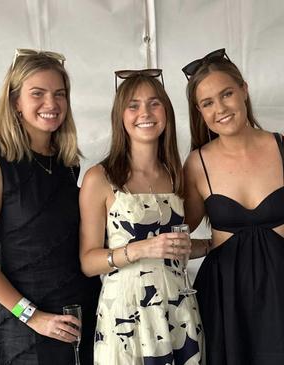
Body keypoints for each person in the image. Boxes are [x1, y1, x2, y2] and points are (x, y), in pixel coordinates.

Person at [0, 49, 101, 365]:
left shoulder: (67, 164)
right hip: (29, 330)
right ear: (16, 102)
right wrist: (35, 317)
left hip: (84, 315)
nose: (51, 104)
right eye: (37, 94)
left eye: (59, 94)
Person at [182, 48, 284, 364]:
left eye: (226, 94)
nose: (221, 108)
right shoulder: (197, 164)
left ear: (244, 90)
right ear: (199, 111)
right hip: (225, 295)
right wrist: (210, 244)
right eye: (207, 103)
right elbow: (177, 233)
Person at [79, 69, 204, 365]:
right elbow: (87, 262)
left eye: (154, 103)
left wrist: (211, 244)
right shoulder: (101, 178)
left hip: (178, 307)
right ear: (120, 116)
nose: (144, 113)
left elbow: (177, 246)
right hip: (125, 311)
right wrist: (140, 249)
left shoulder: (178, 176)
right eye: (133, 105)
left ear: (167, 112)